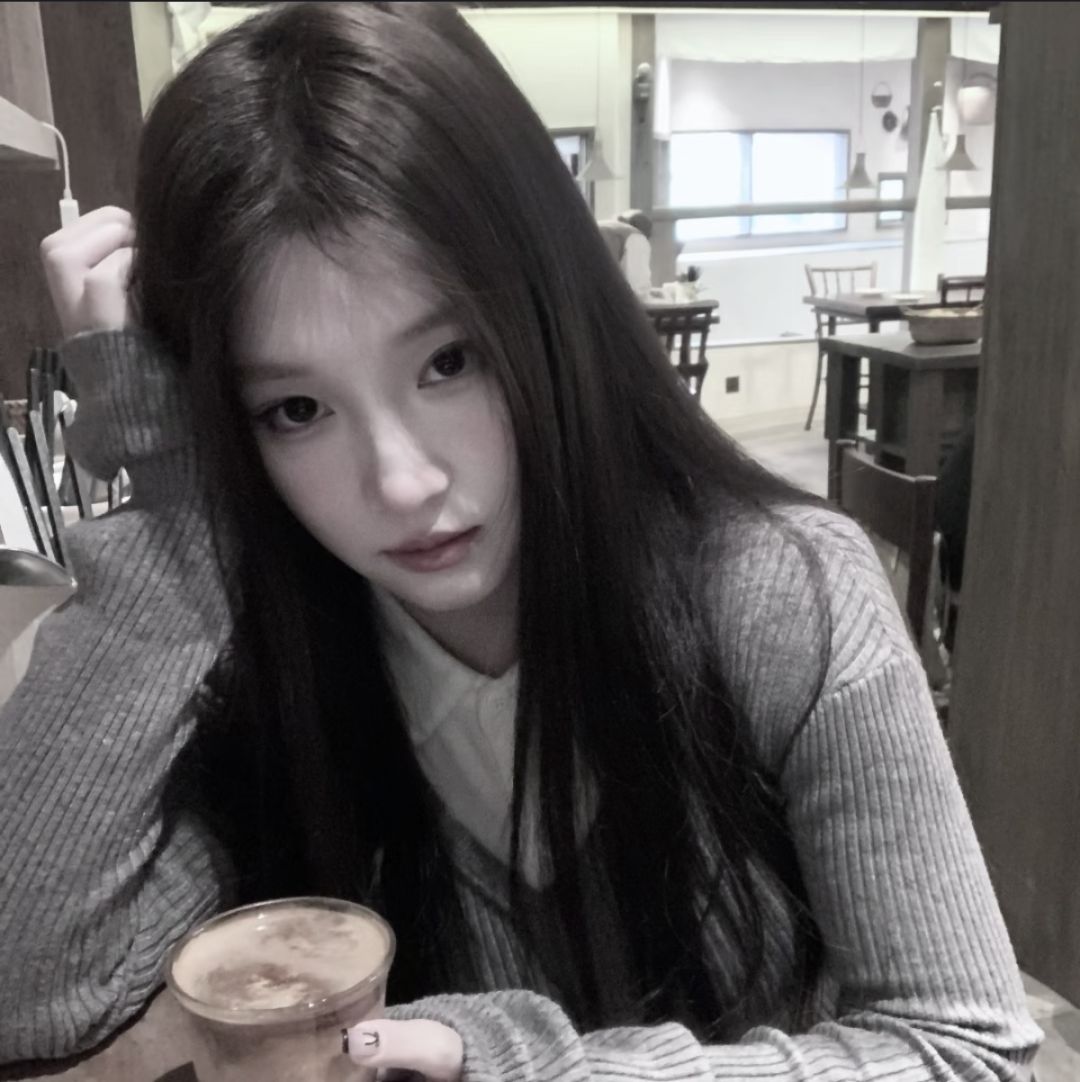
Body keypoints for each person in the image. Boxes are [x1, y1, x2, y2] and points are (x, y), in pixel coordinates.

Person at [0, 4, 1039, 1079]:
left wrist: (531, 1067)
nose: (403, 482)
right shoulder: (275, 665)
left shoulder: (779, 596)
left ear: (548, 309)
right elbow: (24, 994)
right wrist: (174, 499)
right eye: (295, 410)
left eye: (448, 361)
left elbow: (966, 1048)